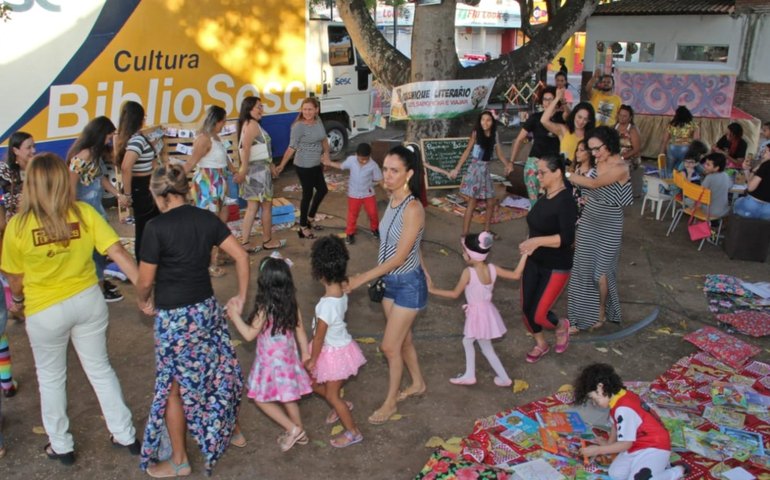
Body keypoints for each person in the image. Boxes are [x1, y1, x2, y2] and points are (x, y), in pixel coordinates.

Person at [1, 153, 141, 466]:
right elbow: (116, 250)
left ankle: (62, 446)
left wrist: (20, 302)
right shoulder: (84, 212)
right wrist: (144, 290)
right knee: (100, 368)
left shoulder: (18, 226)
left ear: (31, 184)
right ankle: (125, 434)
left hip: (45, 311)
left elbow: (14, 278)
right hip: (88, 302)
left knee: (51, 378)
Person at [136, 165, 248, 477]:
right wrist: (240, 295)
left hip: (175, 318)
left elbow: (145, 281)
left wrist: (142, 300)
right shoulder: (206, 218)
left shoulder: (155, 229)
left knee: (173, 385)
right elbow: (241, 255)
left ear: (161, 196)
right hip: (206, 310)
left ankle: (179, 459)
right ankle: (232, 431)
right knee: (216, 370)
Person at [346, 145, 428, 425]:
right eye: (386, 169)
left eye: (395, 171)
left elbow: (400, 257)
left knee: (389, 347)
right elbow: (409, 246)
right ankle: (417, 383)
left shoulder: (413, 207)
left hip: (406, 285)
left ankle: (390, 403)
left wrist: (361, 278)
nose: (388, 176)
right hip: (390, 283)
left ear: (409, 174)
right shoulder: (391, 200)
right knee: (403, 340)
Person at [226, 257, 312, 453]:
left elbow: (249, 335)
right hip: (289, 359)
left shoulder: (265, 307)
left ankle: (293, 428)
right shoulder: (291, 302)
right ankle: (301, 434)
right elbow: (299, 329)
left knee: (259, 399)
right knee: (288, 397)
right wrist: (305, 353)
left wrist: (234, 316)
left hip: (271, 362)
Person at [427, 232, 526, 387]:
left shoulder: (469, 273)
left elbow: (454, 294)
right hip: (487, 311)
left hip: (477, 314)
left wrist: (433, 290)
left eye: (464, 251)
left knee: (474, 343)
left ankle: (479, 376)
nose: (462, 253)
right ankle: (481, 375)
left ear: (471, 255)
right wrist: (525, 254)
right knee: (476, 344)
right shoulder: (493, 268)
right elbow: (515, 275)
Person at [567, 127, 633, 333]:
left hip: (610, 223)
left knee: (600, 273)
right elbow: (590, 188)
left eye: (597, 149)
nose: (594, 153)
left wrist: (567, 173)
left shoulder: (621, 167)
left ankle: (601, 309)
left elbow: (594, 183)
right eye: (591, 149)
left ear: (609, 144)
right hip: (589, 219)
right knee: (581, 269)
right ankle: (578, 318)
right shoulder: (599, 162)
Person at [575, 363, 687, 480]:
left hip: (655, 446)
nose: (594, 403)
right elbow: (615, 424)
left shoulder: (623, 409)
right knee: (615, 474)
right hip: (637, 444)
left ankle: (677, 471)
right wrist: (609, 443)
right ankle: (655, 469)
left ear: (600, 387)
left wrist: (598, 449)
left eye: (594, 399)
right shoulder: (620, 396)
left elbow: (625, 444)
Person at [305, 236, 367, 448]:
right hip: (340, 348)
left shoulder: (325, 306)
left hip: (331, 353)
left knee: (330, 393)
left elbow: (319, 336)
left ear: (319, 272)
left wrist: (313, 359)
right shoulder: (342, 289)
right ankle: (341, 404)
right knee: (314, 384)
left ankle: (353, 432)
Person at [518, 155, 577, 363]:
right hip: (534, 262)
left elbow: (567, 238)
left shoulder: (566, 201)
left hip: (556, 265)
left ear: (557, 173)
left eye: (542, 172)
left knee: (539, 315)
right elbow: (535, 227)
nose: (537, 175)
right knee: (527, 310)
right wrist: (527, 250)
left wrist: (537, 242)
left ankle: (561, 325)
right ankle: (541, 344)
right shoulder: (545, 196)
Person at [66, 116, 127, 302]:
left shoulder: (95, 155)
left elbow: (101, 179)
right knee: (94, 252)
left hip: (96, 209)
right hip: (84, 211)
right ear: (100, 134)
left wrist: (118, 195)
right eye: (109, 136)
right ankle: (98, 289)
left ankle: (100, 282)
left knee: (99, 251)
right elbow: (70, 188)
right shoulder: (82, 157)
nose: (110, 140)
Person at [184, 105, 240, 276]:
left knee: (220, 222)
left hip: (219, 182)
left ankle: (219, 253)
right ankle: (209, 264)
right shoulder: (203, 139)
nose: (224, 124)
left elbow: (224, 157)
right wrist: (174, 180)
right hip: (208, 185)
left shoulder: (214, 136)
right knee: (209, 225)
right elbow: (191, 162)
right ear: (216, 121)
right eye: (223, 121)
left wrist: (234, 171)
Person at [235, 96, 287, 253]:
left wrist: (271, 166)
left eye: (261, 106)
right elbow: (245, 149)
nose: (261, 109)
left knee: (253, 207)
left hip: (257, 171)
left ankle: (245, 242)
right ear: (249, 109)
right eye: (258, 107)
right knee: (265, 207)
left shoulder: (250, 124)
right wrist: (243, 171)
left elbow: (260, 151)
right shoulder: (251, 125)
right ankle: (267, 240)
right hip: (257, 173)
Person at [276, 96, 331, 240]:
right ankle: (303, 226)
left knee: (323, 190)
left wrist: (326, 156)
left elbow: (324, 139)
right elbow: (291, 147)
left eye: (310, 109)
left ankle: (310, 218)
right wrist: (282, 164)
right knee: (307, 194)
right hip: (303, 166)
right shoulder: (298, 126)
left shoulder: (318, 121)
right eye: (304, 109)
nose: (307, 112)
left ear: (316, 110)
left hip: (315, 164)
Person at [449, 110, 510, 236]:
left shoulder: (494, 134)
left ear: (492, 122)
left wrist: (508, 164)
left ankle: (486, 231)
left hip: (486, 170)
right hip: (475, 169)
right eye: (483, 120)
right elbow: (467, 151)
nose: (485, 123)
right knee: (472, 202)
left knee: (491, 201)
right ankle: (465, 234)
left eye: (488, 120)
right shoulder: (476, 133)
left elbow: (499, 153)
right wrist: (457, 168)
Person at [115, 100, 160, 260]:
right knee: (145, 227)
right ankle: (145, 264)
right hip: (142, 188)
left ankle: (147, 262)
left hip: (143, 186)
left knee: (146, 226)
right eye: (144, 116)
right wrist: (127, 195)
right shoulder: (137, 140)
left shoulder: (134, 139)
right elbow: (127, 167)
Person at [509, 87, 564, 206]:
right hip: (534, 163)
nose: (547, 103)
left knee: (552, 200)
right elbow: (519, 139)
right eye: (545, 99)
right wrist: (511, 162)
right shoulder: (535, 118)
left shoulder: (562, 118)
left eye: (551, 99)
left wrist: (561, 98)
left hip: (553, 165)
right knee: (534, 201)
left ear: (556, 101)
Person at [323, 142, 383, 245]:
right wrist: (330, 163)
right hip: (354, 194)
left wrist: (388, 189)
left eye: (366, 159)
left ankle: (375, 229)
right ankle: (350, 233)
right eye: (361, 159)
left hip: (368, 194)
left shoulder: (373, 165)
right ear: (356, 154)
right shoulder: (351, 160)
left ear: (370, 156)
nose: (363, 161)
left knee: (373, 213)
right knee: (352, 214)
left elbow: (380, 179)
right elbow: (341, 166)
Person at [542, 89, 596, 167]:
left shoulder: (591, 136)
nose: (581, 122)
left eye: (585, 119)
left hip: (581, 175)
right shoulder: (564, 130)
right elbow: (544, 120)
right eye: (579, 117)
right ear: (574, 115)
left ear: (589, 121)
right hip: (563, 173)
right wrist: (557, 98)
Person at [0, 131, 35, 221]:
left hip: (37, 221)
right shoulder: (4, 170)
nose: (34, 151)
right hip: (14, 223)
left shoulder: (39, 168)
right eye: (29, 148)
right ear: (15, 150)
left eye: (34, 147)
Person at [660, 106, 700, 176]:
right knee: (682, 169)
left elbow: (664, 140)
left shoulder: (671, 124)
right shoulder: (693, 125)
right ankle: (679, 184)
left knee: (669, 169)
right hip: (685, 148)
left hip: (672, 147)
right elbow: (696, 140)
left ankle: (668, 182)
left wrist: (661, 153)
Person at [735, 143, 770, 220]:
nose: (763, 153)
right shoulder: (763, 165)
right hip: (768, 210)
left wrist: (747, 170)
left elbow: (750, 187)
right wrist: (749, 170)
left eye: (766, 151)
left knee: (736, 202)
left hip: (753, 205)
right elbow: (750, 182)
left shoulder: (766, 165)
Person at [698, 152, 733, 219]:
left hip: (708, 211)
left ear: (716, 168)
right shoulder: (726, 175)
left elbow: (700, 192)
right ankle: (718, 224)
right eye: (706, 163)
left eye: (708, 165)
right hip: (722, 211)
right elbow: (730, 185)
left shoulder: (709, 178)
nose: (705, 166)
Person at [571, 140, 597, 222]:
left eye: (581, 150)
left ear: (589, 153)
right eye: (577, 150)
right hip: (572, 207)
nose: (577, 153)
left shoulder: (593, 173)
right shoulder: (576, 168)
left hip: (586, 212)